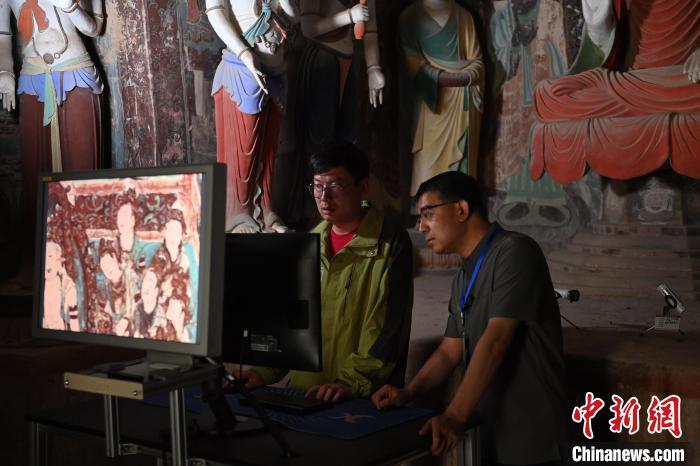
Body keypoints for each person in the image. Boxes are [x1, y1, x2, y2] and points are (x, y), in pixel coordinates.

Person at [372, 171, 567, 463]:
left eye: (428, 214)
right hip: (493, 429)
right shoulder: (464, 275)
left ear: (461, 209)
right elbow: (449, 351)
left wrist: (453, 415)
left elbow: (496, 339)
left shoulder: (514, 252)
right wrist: (408, 392)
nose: (421, 227)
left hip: (533, 436)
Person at [236, 142, 413, 401]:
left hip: (359, 398)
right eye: (318, 187)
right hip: (304, 392)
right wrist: (263, 372)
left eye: (335, 187)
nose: (324, 197)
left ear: (363, 187)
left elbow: (386, 329)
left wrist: (350, 383)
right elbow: (291, 323)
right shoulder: (312, 243)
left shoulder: (389, 243)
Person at [205, 0, 299, 233]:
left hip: (277, 71)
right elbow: (216, 14)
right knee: (243, 148)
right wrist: (245, 53)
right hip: (242, 68)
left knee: (269, 149)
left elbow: (294, 18)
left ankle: (265, 211)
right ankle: (238, 216)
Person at [398, 0, 484, 196]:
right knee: (427, 161)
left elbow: (477, 61)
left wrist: (465, 77)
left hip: (462, 99)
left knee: (461, 165)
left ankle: (460, 201)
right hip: (430, 100)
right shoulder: (410, 17)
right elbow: (411, 62)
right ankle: (428, 203)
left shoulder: (463, 16)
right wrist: (441, 78)